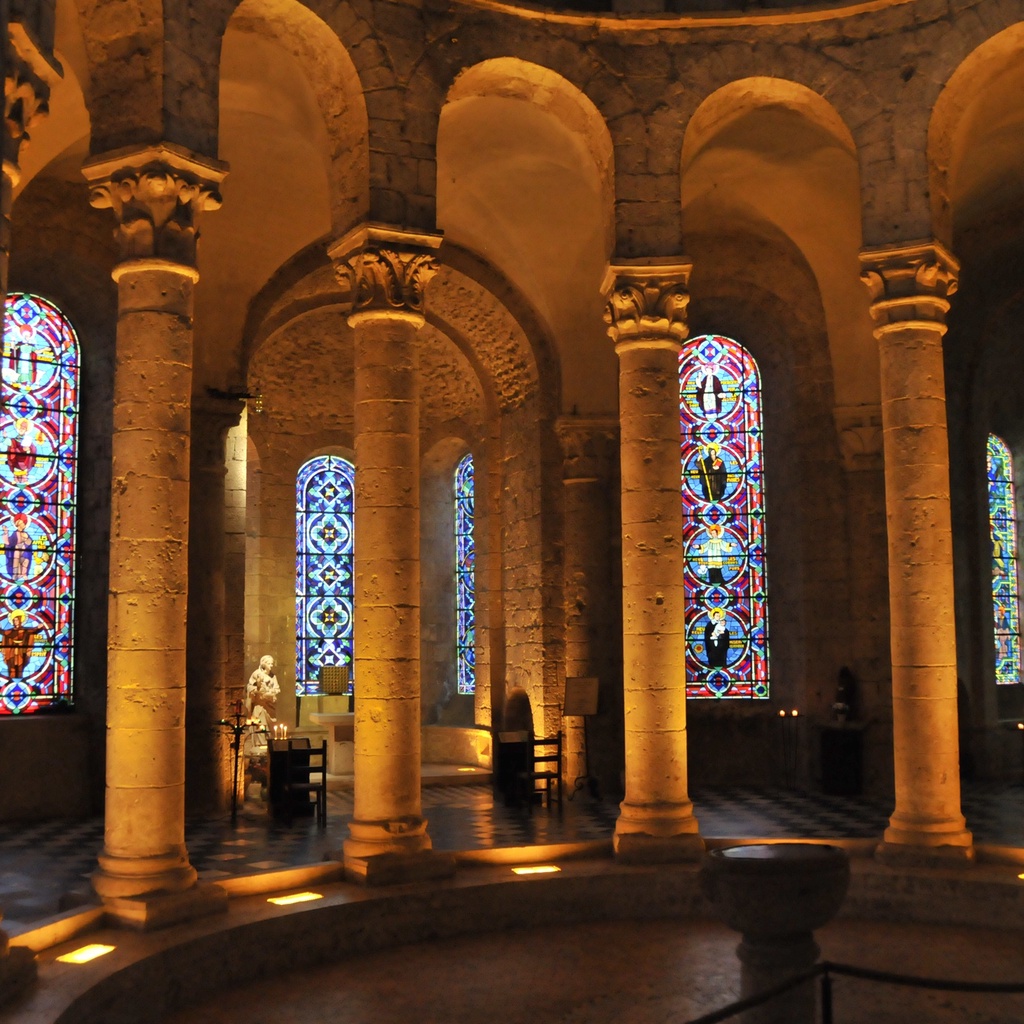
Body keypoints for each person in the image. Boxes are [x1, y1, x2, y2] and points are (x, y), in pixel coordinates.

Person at [1, 611, 44, 680]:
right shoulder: (10, 631)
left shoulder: (25, 630)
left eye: (17, 620)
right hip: (11, 651)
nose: (15, 622)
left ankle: (19, 678)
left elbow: (33, 630)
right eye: (14, 620)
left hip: (22, 650)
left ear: (20, 620)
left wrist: (38, 627)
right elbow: (4, 633)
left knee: (20, 665)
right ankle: (11, 679)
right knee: (11, 665)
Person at [246, 654, 280, 729]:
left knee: (270, 730)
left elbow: (277, 688)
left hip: (270, 705)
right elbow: (249, 687)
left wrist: (270, 692)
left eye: (272, 663)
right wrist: (258, 689)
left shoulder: (273, 676)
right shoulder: (257, 674)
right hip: (260, 706)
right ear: (264, 664)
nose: (271, 665)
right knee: (260, 728)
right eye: (269, 663)